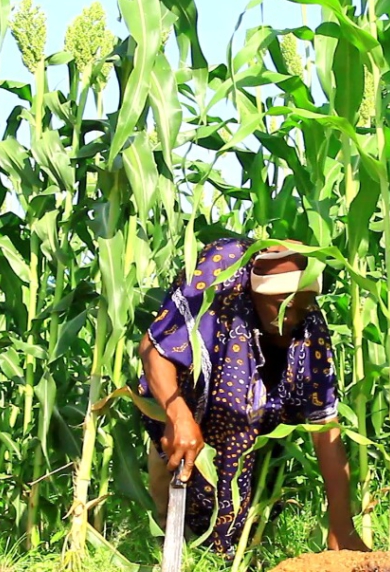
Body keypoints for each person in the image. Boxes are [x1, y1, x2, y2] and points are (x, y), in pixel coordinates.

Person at [134, 237, 370, 557]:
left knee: (242, 532)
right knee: (172, 525)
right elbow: (154, 348)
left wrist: (343, 527)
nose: (290, 317)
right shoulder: (217, 281)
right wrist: (178, 416)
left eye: (300, 306)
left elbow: (325, 427)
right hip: (180, 407)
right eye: (282, 305)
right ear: (256, 292)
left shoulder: (309, 328)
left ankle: (232, 553)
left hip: (251, 432)